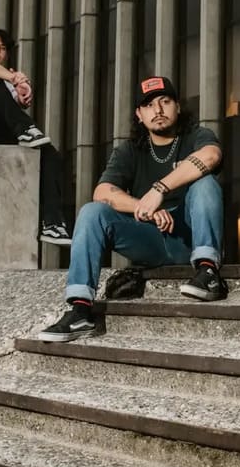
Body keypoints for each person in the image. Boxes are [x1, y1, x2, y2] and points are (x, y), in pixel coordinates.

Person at [38, 75, 226, 342]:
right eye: (148, 105)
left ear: (177, 106)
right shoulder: (130, 150)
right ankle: (80, 311)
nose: (157, 110)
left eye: (165, 101)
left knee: (205, 183)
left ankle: (208, 272)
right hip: (149, 239)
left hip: (188, 236)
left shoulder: (196, 135)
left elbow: (211, 156)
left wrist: (159, 189)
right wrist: (143, 206)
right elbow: (103, 192)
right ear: (139, 114)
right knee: (92, 212)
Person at [0, 27, 71, 245]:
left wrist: (21, 96)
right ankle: (26, 129)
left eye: (3, 48)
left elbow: (9, 105)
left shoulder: (6, 82)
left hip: (1, 136)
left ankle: (52, 224)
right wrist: (14, 77)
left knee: (49, 154)